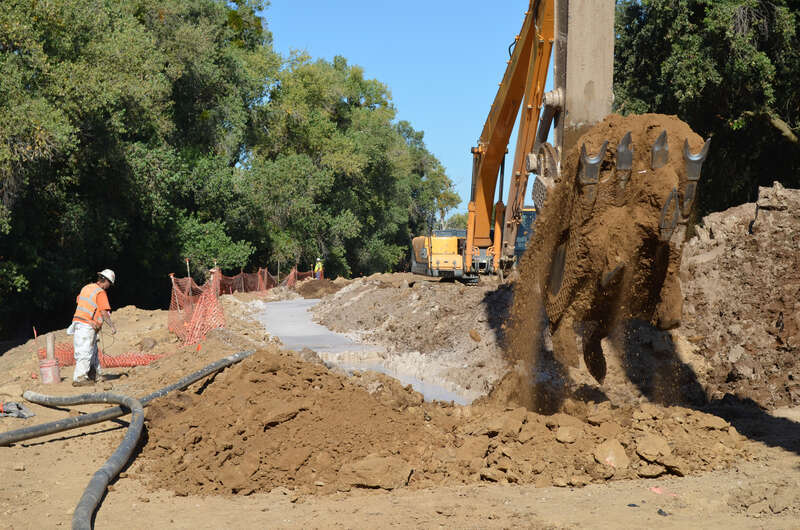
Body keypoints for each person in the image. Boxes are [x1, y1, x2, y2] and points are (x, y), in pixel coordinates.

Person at [68, 269, 117, 387]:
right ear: (105, 280)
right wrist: (112, 326)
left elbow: (79, 300)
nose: (109, 286)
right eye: (109, 283)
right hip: (87, 325)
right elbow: (104, 311)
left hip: (81, 323)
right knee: (85, 351)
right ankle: (80, 378)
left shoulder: (87, 288)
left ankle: (96, 374)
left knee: (93, 351)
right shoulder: (100, 292)